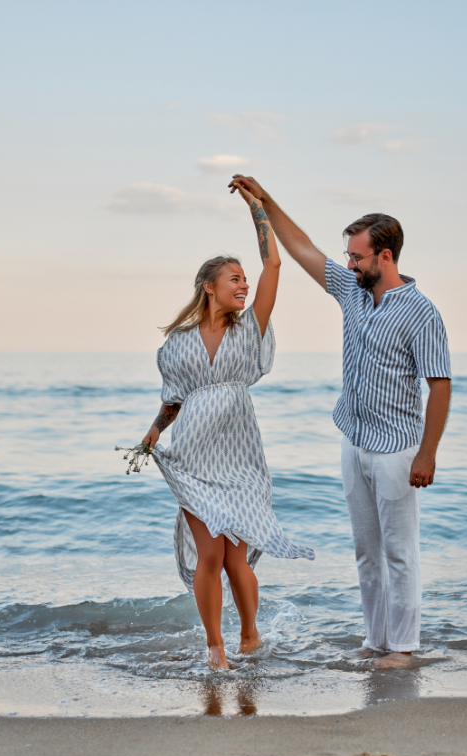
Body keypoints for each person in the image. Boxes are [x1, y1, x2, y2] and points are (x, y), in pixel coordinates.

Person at [228, 174, 451, 669]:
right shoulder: (352, 292)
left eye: (357, 256)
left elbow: (440, 384)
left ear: (385, 256)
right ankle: (375, 642)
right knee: (366, 553)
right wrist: (264, 202)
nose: (348, 263)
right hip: (354, 440)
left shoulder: (421, 313)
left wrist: (427, 452)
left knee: (399, 553)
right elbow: (303, 247)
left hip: (397, 448)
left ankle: (405, 647)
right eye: (348, 255)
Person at [140, 183, 314, 670]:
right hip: (193, 456)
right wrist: (154, 431)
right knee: (209, 556)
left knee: (238, 558)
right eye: (233, 279)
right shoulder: (178, 342)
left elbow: (273, 267)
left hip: (240, 456)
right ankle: (215, 648)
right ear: (208, 287)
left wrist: (257, 209)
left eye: (244, 279)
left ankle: (251, 635)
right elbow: (173, 398)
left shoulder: (250, 326)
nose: (243, 285)